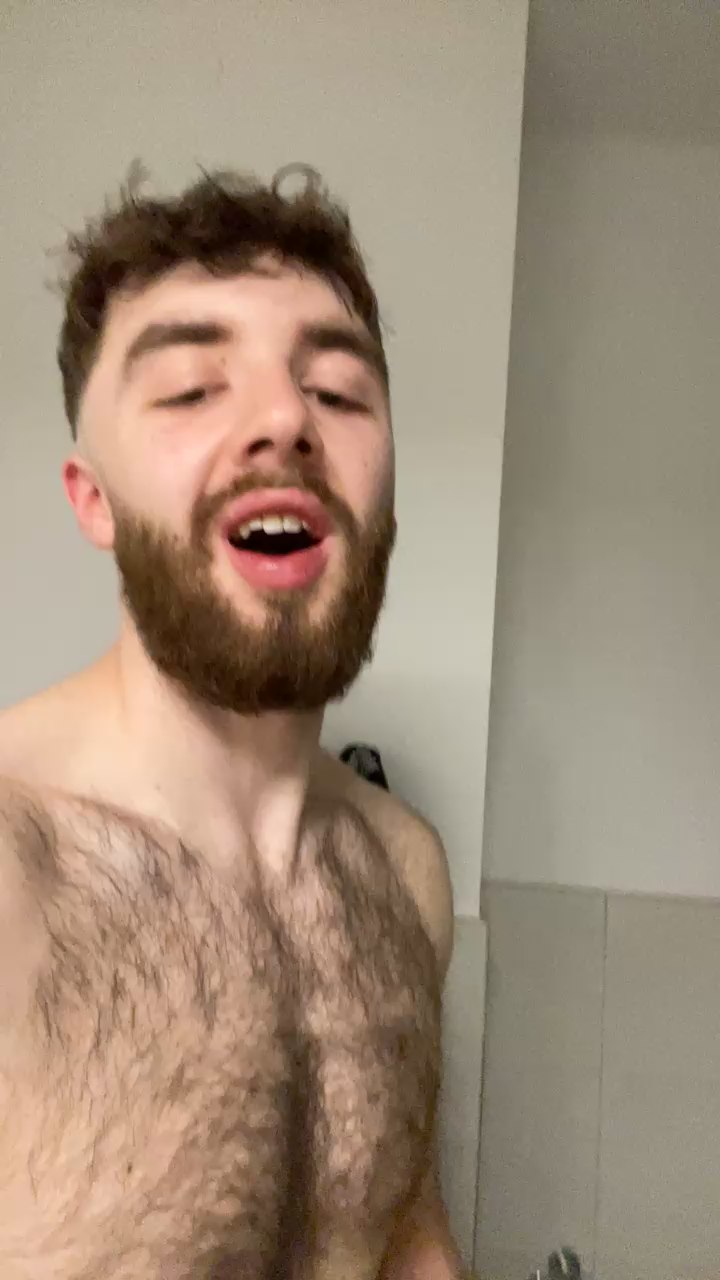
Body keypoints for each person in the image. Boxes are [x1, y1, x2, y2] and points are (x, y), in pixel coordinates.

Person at [0, 164, 466, 1280]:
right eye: (191, 389)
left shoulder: (405, 872)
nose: (286, 420)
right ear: (94, 500)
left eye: (339, 392)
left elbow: (407, 1238)